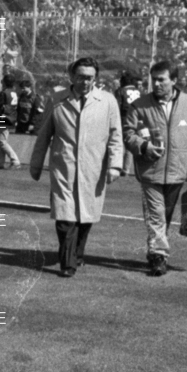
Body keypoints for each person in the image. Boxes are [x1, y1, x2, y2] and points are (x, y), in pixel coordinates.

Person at [29, 57, 124, 277]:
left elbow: (115, 136)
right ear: (72, 76)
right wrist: (36, 164)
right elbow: (44, 135)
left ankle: (77, 253)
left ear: (95, 78)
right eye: (80, 77)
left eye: (89, 77)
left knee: (85, 216)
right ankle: (68, 263)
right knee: (65, 216)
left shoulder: (107, 101)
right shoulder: (57, 100)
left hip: (93, 168)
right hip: (64, 168)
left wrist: (115, 165)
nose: (85, 82)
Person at [122, 60, 187, 276]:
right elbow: (128, 133)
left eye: (162, 80)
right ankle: (158, 257)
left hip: (177, 172)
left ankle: (156, 250)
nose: (157, 84)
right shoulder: (139, 105)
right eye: (154, 79)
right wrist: (144, 146)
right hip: (150, 172)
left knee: (165, 217)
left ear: (174, 80)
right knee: (156, 215)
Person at [0, 73, 20, 169]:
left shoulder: (4, 93)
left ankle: (15, 161)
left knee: (2, 142)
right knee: (2, 141)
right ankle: (0, 163)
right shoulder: (14, 92)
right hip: (11, 118)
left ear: (5, 83)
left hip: (3, 118)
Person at [116, 70, 143, 176]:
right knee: (132, 144)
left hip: (124, 118)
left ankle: (118, 166)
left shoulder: (121, 91)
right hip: (138, 119)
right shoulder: (139, 91)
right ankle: (127, 169)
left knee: (120, 143)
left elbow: (117, 106)